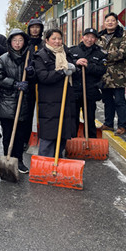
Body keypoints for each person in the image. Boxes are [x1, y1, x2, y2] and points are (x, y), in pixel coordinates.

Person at [0, 29, 34, 173]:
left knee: (20, 135)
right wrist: (15, 84)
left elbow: (34, 80)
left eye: (20, 40)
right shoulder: (3, 58)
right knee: (8, 135)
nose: (17, 43)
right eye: (14, 40)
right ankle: (8, 158)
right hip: (6, 102)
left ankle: (19, 161)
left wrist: (31, 73)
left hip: (22, 102)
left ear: (24, 42)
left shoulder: (28, 58)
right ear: (10, 42)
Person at [32, 28, 76, 158]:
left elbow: (74, 75)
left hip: (65, 100)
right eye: (54, 38)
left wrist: (75, 68)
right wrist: (62, 72)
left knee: (62, 135)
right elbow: (43, 77)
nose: (57, 41)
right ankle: (45, 164)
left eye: (59, 38)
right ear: (47, 40)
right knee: (49, 136)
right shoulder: (41, 56)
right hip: (49, 102)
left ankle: (58, 163)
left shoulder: (66, 53)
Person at [97, 12, 126, 135]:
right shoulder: (100, 35)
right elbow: (96, 52)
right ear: (104, 23)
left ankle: (122, 126)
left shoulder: (123, 34)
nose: (110, 22)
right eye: (108, 20)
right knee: (107, 101)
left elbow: (124, 51)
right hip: (103, 75)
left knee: (119, 101)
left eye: (113, 20)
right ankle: (108, 123)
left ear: (117, 22)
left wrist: (105, 56)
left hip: (118, 75)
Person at [70, 28, 107, 139]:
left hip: (90, 90)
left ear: (95, 39)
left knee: (90, 118)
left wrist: (88, 66)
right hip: (75, 90)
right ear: (83, 37)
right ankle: (72, 140)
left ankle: (91, 140)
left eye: (92, 37)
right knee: (73, 118)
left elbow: (102, 70)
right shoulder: (73, 51)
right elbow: (65, 63)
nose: (89, 39)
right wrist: (75, 62)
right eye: (87, 36)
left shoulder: (100, 53)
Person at [24, 18, 44, 148]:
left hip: (42, 83)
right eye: (32, 27)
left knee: (43, 112)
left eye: (37, 27)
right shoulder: (26, 45)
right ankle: (26, 139)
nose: (35, 29)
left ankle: (43, 138)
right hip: (29, 83)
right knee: (28, 113)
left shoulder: (44, 44)